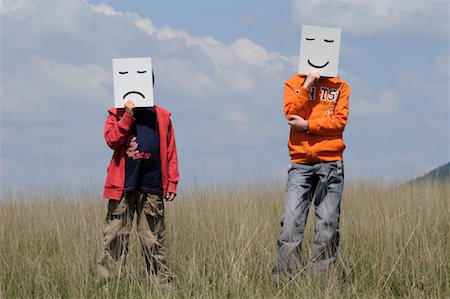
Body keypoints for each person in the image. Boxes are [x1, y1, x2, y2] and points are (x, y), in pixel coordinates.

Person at [97, 74, 179, 285]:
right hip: (121, 187)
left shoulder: (161, 116)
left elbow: (170, 151)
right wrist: (127, 116)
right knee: (114, 239)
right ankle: (108, 288)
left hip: (152, 186)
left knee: (153, 241)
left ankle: (162, 288)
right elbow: (112, 140)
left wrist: (172, 182)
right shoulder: (116, 113)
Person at [273, 69, 350, 280]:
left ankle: (320, 282)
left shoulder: (340, 86)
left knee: (327, 224)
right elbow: (291, 114)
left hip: (331, 162)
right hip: (300, 163)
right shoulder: (293, 83)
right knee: (291, 222)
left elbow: (339, 122)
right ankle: (284, 283)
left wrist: (307, 125)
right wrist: (307, 84)